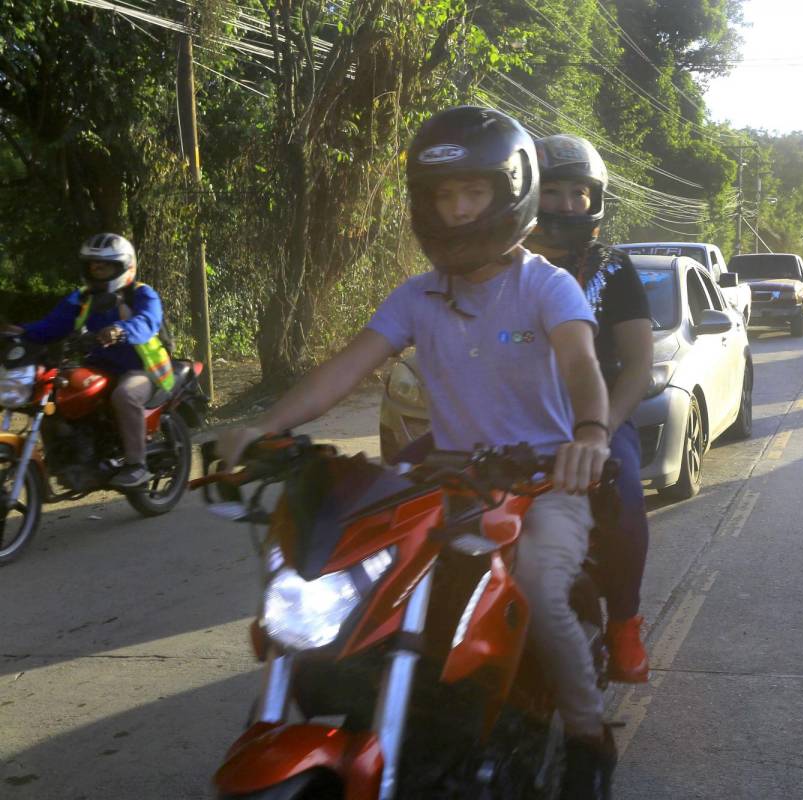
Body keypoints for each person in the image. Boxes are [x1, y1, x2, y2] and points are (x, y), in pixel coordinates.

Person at [217, 106, 618, 798]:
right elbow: (343, 370)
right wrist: (265, 428)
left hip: (545, 481)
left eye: (474, 194)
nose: (458, 211)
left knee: (541, 591)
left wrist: (588, 436)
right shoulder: (418, 294)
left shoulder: (545, 284)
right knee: (353, 583)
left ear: (509, 193)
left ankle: (588, 738)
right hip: (444, 479)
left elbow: (582, 364)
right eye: (443, 195)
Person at [526, 133, 654, 685]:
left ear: (595, 200)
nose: (565, 204)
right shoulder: (498, 263)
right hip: (516, 418)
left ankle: (623, 621)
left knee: (624, 503)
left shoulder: (615, 268)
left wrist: (601, 432)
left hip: (601, 418)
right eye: (551, 190)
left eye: (579, 192)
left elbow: (637, 365)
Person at [1, 234, 174, 488]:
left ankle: (137, 464)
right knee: (55, 396)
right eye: (93, 265)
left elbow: (147, 322)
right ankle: (71, 457)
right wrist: (18, 331)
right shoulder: (82, 299)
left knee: (124, 396)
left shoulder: (142, 294)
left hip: (141, 369)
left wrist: (119, 330)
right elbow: (51, 326)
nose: (97, 270)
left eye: (104, 265)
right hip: (99, 367)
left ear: (123, 266)